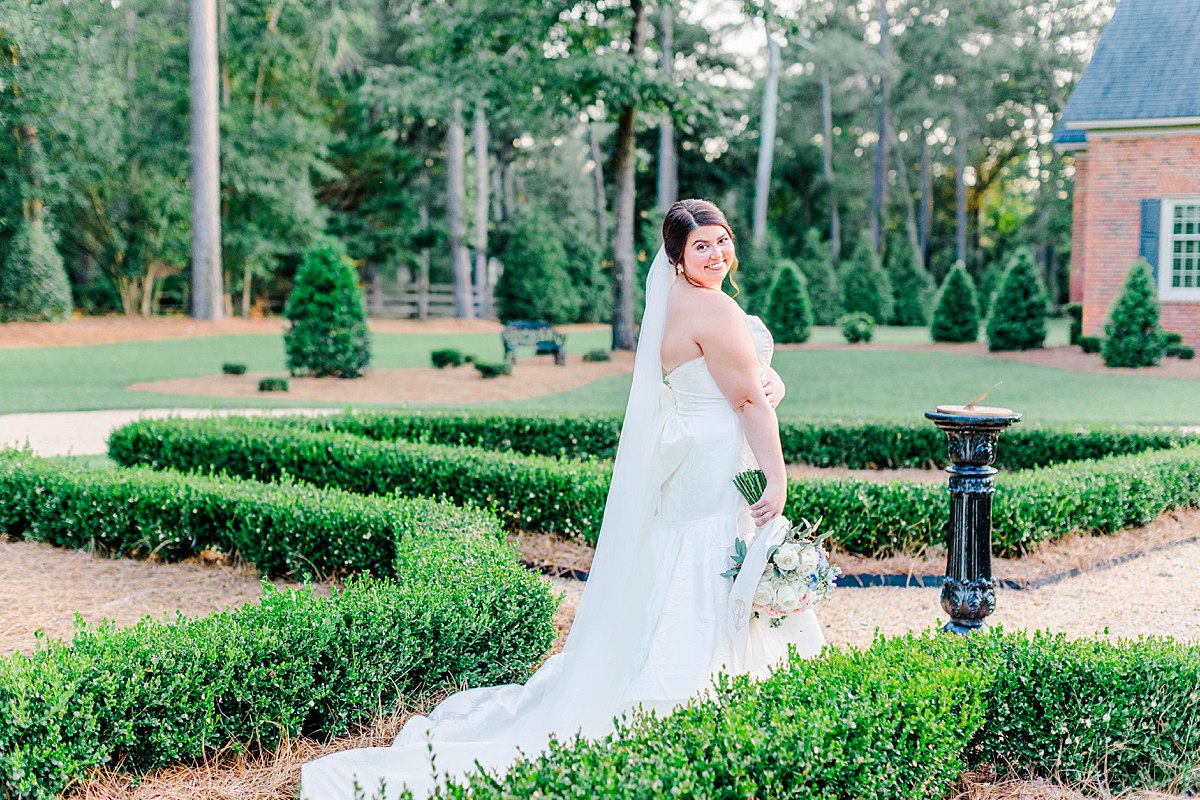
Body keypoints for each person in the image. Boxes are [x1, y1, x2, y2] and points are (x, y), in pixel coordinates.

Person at [301, 199, 825, 799]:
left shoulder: (673, 305)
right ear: (677, 257)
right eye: (700, 245)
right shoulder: (715, 308)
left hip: (694, 460)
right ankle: (700, 692)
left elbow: (734, 383)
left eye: (722, 239)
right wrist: (777, 478)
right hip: (713, 458)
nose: (716, 253)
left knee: (691, 556)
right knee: (706, 557)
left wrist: (768, 380)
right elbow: (747, 403)